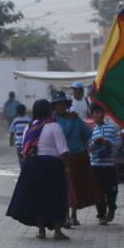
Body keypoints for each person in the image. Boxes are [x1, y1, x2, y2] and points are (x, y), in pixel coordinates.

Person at [6, 98, 69, 240]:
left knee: (38, 198)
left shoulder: (29, 128)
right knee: (56, 197)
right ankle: (58, 231)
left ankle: (41, 231)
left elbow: (24, 149)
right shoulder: (54, 127)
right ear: (48, 111)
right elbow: (63, 151)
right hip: (52, 166)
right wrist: (67, 167)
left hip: (32, 165)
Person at [53, 92, 98, 226]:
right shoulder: (53, 120)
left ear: (66, 105)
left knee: (76, 185)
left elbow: (88, 133)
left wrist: (81, 144)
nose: (60, 106)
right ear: (54, 107)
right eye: (57, 104)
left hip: (78, 155)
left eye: (62, 104)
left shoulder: (75, 119)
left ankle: (73, 215)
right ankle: (65, 215)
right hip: (61, 158)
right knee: (64, 187)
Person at [89, 104, 123, 224]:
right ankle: (101, 215)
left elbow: (119, 143)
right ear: (92, 115)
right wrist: (95, 143)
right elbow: (88, 148)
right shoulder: (91, 130)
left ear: (104, 113)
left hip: (109, 165)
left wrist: (109, 143)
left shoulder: (112, 128)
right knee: (98, 191)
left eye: (100, 112)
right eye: (96, 112)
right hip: (96, 165)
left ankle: (112, 208)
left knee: (112, 190)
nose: (98, 115)